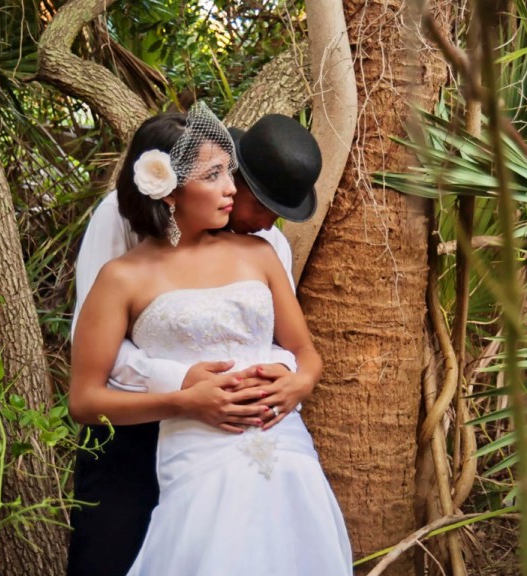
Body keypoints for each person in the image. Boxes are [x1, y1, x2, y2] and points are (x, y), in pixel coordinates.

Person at [68, 106, 351, 575]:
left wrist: (296, 383)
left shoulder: (263, 250)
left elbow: (302, 352)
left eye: (230, 174)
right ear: (171, 188)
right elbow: (87, 390)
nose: (230, 188)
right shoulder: (119, 265)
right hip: (170, 445)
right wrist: (184, 395)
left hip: (283, 450)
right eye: (218, 175)